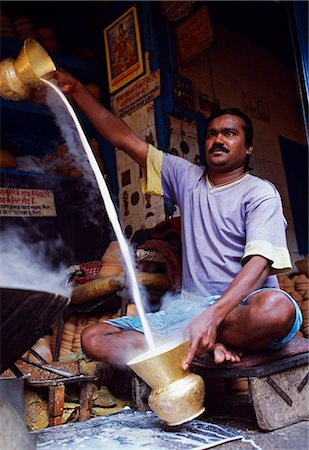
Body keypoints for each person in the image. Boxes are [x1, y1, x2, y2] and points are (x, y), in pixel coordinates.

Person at [54, 69, 302, 370]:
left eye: (230, 133)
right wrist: (78, 90)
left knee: (275, 310)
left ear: (248, 148)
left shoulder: (260, 193)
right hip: (188, 311)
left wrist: (213, 317)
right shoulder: (186, 177)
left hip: (241, 309)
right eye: (212, 134)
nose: (218, 140)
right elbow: (123, 138)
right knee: (94, 337)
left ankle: (203, 339)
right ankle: (202, 345)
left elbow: (260, 262)